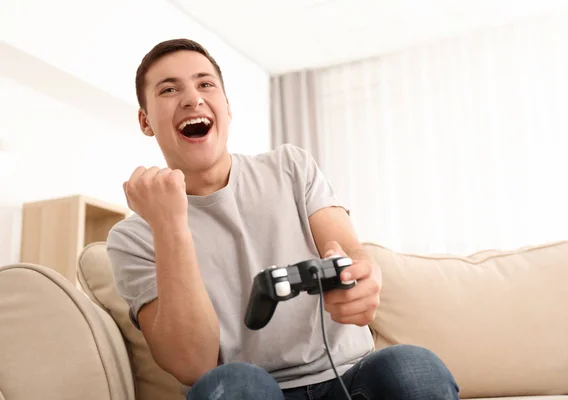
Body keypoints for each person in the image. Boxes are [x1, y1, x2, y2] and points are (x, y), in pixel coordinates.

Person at [106, 38, 459, 400]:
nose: (193, 98)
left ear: (226, 107)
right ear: (145, 121)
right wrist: (170, 225)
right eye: (169, 89)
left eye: (205, 84)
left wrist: (361, 275)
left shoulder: (290, 167)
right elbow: (193, 364)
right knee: (237, 385)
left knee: (413, 367)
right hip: (251, 390)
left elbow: (350, 252)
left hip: (349, 378)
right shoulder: (132, 237)